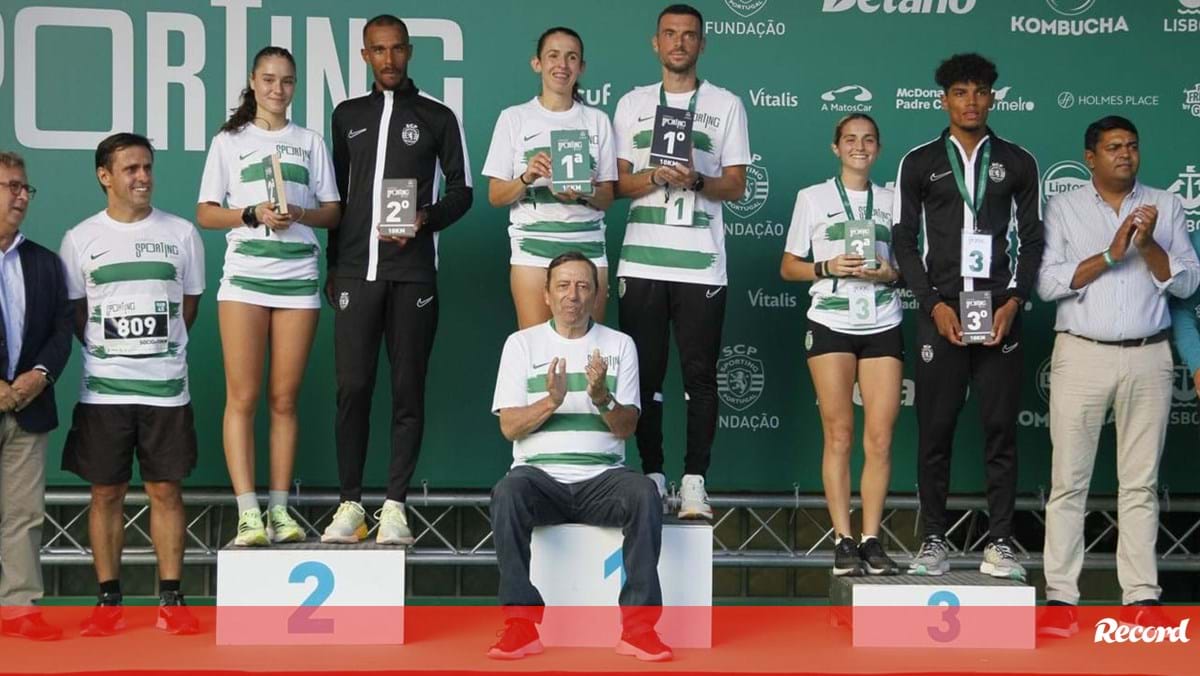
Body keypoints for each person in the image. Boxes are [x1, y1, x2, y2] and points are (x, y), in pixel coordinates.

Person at [1036, 116, 1200, 637]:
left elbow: (1189, 281)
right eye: (1113, 148)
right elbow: (1046, 284)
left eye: (1131, 146)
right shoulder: (1063, 206)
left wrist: (1149, 244)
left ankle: (1141, 597)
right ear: (1090, 157)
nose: (1125, 155)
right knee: (1069, 484)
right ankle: (1062, 598)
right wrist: (1112, 252)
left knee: (1140, 484)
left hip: (1150, 356)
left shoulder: (1167, 204)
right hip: (1081, 354)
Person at [891, 53, 1043, 580]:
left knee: (1000, 429)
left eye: (980, 91)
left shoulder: (1019, 161)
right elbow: (903, 241)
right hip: (942, 311)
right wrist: (932, 304)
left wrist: (1013, 302)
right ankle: (933, 539)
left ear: (993, 98)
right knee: (935, 429)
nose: (971, 101)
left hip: (1000, 311)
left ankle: (1001, 542)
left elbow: (1034, 238)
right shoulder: (919, 161)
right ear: (944, 99)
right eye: (961, 92)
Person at [321, 14, 473, 545]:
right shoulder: (345, 117)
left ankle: (394, 507)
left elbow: (463, 191)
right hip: (354, 275)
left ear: (410, 52)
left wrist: (424, 218)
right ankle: (349, 505)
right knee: (353, 389)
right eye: (377, 51)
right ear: (365, 56)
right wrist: (331, 268)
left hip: (413, 277)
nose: (388, 60)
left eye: (397, 50)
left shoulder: (436, 116)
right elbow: (332, 200)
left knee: (407, 391)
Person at [487, 251, 670, 662]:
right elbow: (509, 428)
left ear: (597, 295)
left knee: (643, 493)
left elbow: (626, 428)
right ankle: (520, 626)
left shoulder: (620, 345)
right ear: (547, 295)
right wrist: (550, 402)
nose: (574, 295)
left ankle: (639, 630)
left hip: (603, 481)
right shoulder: (521, 344)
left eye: (584, 286)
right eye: (564, 286)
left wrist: (603, 398)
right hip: (539, 478)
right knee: (507, 493)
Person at [59, 133, 205, 635]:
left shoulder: (182, 233)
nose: (142, 178)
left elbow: (189, 307)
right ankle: (109, 604)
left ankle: (171, 601)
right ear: (105, 176)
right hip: (104, 392)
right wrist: (111, 353)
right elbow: (77, 314)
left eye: (147, 168)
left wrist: (156, 353)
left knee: (166, 490)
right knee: (106, 493)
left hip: (165, 387)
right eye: (130, 169)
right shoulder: (79, 239)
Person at [197, 46, 341, 547]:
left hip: (299, 279)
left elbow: (333, 211)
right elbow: (206, 213)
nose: (278, 90)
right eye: (269, 80)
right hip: (244, 280)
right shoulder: (229, 141)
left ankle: (279, 511)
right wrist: (252, 214)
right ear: (253, 84)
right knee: (244, 397)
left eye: (287, 81)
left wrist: (300, 215)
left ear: (295, 87)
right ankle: (247, 514)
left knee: (283, 400)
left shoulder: (310, 141)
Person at [612, 3, 750, 519]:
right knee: (643, 377)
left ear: (702, 44)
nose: (678, 43)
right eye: (669, 34)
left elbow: (735, 184)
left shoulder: (726, 104)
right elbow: (615, 184)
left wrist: (695, 179)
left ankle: (694, 481)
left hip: (700, 265)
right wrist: (655, 175)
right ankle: (651, 475)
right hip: (643, 263)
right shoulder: (631, 104)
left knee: (700, 377)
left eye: (689, 35)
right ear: (655, 43)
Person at [780, 115, 902, 577]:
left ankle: (871, 538)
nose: (859, 146)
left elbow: (909, 267)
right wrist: (828, 267)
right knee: (839, 433)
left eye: (868, 139)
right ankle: (842, 539)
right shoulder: (812, 198)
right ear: (835, 148)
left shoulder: (894, 200)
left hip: (883, 319)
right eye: (850, 139)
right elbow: (789, 266)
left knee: (881, 436)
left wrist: (889, 274)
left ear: (879, 147)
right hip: (831, 319)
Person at [483, 27, 617, 328]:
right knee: (537, 352)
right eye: (553, 56)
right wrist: (527, 177)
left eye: (572, 57)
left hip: (589, 249)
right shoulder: (513, 118)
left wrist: (583, 192)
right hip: (533, 250)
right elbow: (495, 195)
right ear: (537, 63)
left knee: (586, 351)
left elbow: (607, 197)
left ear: (581, 67)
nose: (562, 65)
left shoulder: (597, 121)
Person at [0, 152, 72, 641]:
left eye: (26, 188)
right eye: (11, 187)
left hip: (29, 409)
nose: (22, 196)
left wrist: (40, 375)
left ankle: (19, 611)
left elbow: (62, 330)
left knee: (24, 515)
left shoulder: (45, 262)